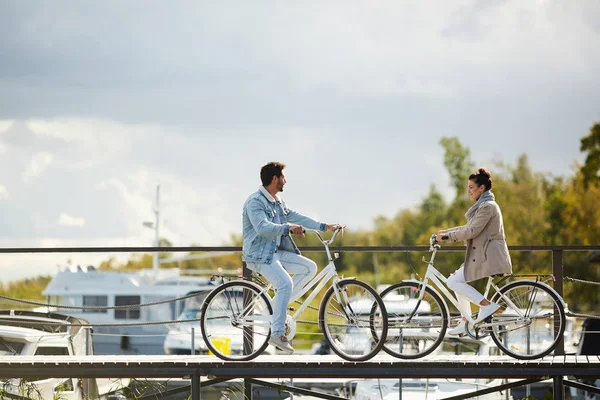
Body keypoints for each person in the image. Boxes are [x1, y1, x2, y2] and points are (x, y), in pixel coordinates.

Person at [242, 161, 341, 354]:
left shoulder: (277, 201)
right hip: (259, 256)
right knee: (285, 283)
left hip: (275, 252)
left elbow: (294, 216)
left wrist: (324, 226)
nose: (285, 181)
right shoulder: (255, 201)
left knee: (309, 268)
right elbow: (262, 228)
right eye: (283, 177)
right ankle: (277, 333)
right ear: (274, 179)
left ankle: (279, 304)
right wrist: (288, 228)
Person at [436, 167, 512, 336]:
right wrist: (445, 233)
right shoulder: (483, 206)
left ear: (482, 188)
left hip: (489, 257)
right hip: (483, 255)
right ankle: (466, 320)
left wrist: (447, 237)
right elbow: (468, 227)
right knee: (456, 281)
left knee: (453, 282)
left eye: (471, 187)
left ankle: (486, 305)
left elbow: (471, 231)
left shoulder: (488, 207)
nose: (468, 191)